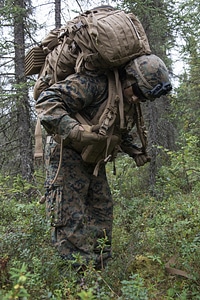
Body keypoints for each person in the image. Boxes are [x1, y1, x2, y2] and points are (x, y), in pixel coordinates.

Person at [35, 54, 172, 269]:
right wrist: (74, 130)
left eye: (143, 97)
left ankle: (100, 270)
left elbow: (117, 125)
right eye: (136, 92)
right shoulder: (92, 84)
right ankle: (79, 281)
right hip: (67, 155)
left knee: (102, 213)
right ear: (129, 77)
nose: (137, 99)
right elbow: (46, 102)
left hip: (93, 159)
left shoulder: (125, 98)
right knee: (69, 218)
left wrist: (135, 150)